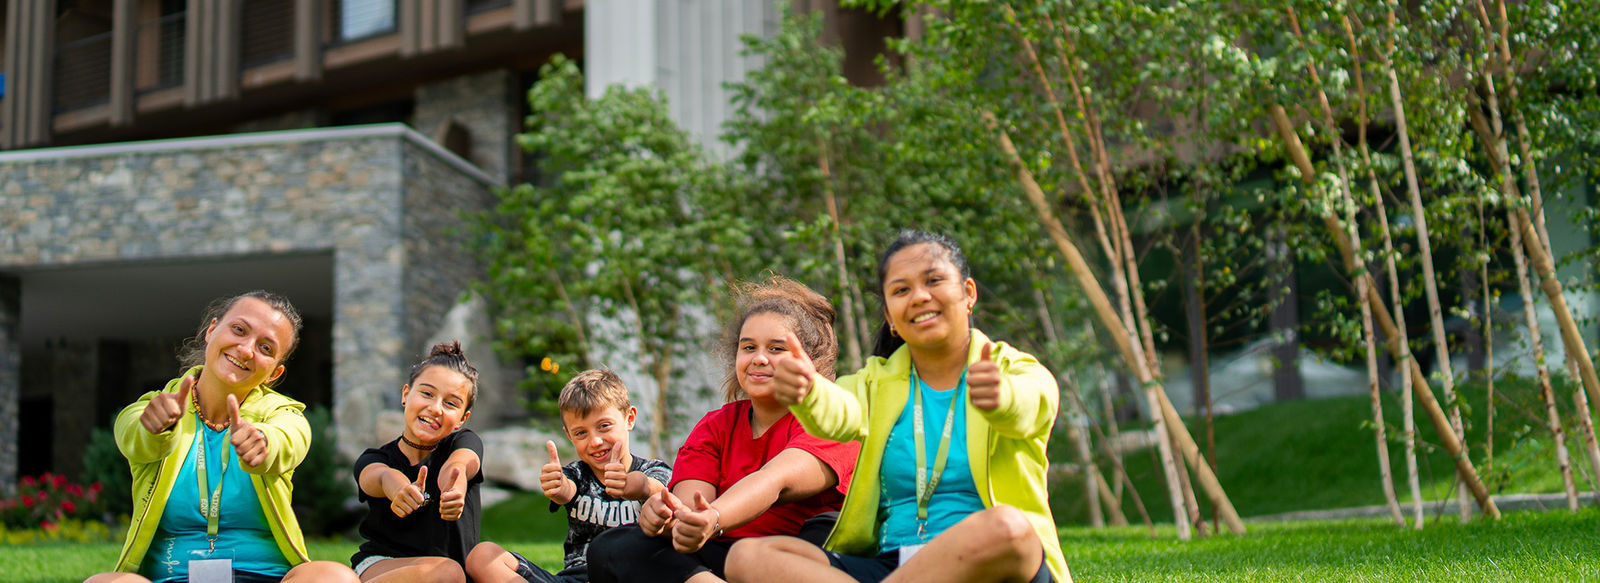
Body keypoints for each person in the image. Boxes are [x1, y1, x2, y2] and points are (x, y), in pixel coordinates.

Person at [725, 231, 1070, 583]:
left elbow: (1036, 404)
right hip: (895, 563)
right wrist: (810, 392)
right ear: (890, 315)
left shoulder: (1011, 369)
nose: (920, 297)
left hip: (988, 565)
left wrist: (1003, 398)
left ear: (968, 294)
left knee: (1009, 526)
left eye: (933, 281)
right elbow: (841, 412)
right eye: (901, 290)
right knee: (748, 557)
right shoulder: (877, 382)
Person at [585, 276, 862, 583]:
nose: (759, 358)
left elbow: (775, 481)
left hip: (789, 559)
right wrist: (670, 519)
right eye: (748, 347)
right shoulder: (716, 425)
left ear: (810, 361)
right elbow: (691, 509)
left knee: (824, 530)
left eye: (776, 348)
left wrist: (712, 518)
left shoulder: (829, 422)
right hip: (718, 558)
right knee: (615, 546)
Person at [85, 291, 357, 583]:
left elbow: (290, 439)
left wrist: (263, 442)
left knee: (333, 576)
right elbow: (132, 432)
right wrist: (155, 429)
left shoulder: (282, 416)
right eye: (239, 330)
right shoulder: (153, 407)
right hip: (170, 577)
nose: (246, 349)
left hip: (267, 577)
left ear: (274, 374)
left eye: (265, 347)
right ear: (211, 330)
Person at [465, 368, 673, 583]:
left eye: (604, 426)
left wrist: (632, 483)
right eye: (581, 433)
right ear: (569, 436)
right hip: (575, 579)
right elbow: (567, 489)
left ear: (629, 419)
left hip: (629, 577)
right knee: (482, 556)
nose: (595, 441)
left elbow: (657, 489)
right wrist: (559, 486)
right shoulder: (577, 474)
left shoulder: (653, 470)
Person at [349, 341, 486, 582]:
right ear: (405, 394)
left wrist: (455, 489)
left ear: (462, 419)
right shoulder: (374, 458)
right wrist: (400, 489)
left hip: (445, 575)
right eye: (427, 394)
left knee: (452, 571)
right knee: (447, 572)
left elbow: (459, 465)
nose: (435, 408)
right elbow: (380, 476)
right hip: (381, 566)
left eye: (450, 403)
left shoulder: (464, 442)